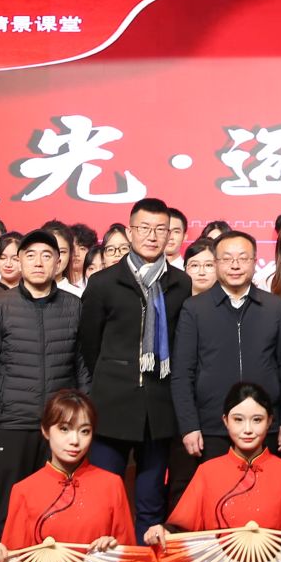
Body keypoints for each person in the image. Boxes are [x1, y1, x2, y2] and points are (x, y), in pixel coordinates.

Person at [77, 197, 194, 540]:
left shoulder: (181, 284)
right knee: (103, 497)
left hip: (159, 408)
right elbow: (90, 343)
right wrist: (115, 373)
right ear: (130, 232)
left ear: (170, 235)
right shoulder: (104, 283)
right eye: (144, 228)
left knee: (150, 500)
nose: (152, 236)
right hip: (112, 406)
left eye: (161, 229)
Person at [0, 229, 84, 543]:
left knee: (57, 502)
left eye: (47, 256)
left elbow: (82, 367)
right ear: (19, 261)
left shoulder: (74, 306)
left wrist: (81, 421)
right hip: (11, 423)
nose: (38, 263)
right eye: (30, 256)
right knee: (10, 504)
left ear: (59, 262)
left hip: (59, 424)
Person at [169, 230, 281, 509]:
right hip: (211, 428)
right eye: (227, 259)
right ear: (216, 263)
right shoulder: (194, 309)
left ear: (254, 262)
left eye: (242, 258)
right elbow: (182, 374)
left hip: (266, 427)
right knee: (215, 504)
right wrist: (189, 426)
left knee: (267, 503)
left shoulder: (273, 307)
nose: (235, 265)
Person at [144, 383, 281, 542]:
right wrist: (163, 531)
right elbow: (181, 529)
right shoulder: (207, 472)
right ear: (225, 421)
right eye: (238, 420)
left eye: (257, 420)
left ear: (270, 422)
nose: (248, 430)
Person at [0, 391, 133, 556]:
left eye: (84, 431)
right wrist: (0, 556)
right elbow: (15, 561)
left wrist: (113, 548)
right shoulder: (24, 491)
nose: (75, 441)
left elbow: (130, 559)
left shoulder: (111, 484)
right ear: (45, 430)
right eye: (64, 429)